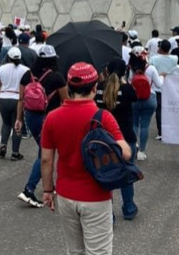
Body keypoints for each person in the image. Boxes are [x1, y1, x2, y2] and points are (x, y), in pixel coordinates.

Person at [41, 63, 131, 255]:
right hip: (96, 195)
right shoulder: (103, 117)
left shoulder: (52, 117)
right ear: (94, 88)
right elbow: (125, 153)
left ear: (69, 86)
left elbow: (46, 160)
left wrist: (48, 190)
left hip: (65, 194)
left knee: (75, 251)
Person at [14, 45, 67, 208]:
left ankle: (49, 184)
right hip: (49, 119)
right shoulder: (57, 77)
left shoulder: (27, 75)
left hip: (31, 117)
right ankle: (29, 190)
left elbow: (21, 99)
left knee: (44, 150)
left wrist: (19, 119)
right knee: (44, 154)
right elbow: (66, 102)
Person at [95, 58, 139, 220]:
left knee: (106, 175)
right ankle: (128, 207)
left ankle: (108, 214)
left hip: (104, 138)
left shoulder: (99, 88)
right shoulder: (127, 89)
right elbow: (135, 99)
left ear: (106, 70)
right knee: (126, 173)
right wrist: (124, 80)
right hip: (125, 137)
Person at [0, 47, 30, 160]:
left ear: (8, 57)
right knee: (17, 124)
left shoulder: (2, 69)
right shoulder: (26, 70)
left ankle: (3, 145)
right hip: (18, 99)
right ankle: (15, 153)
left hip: (4, 98)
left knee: (6, 123)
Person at [130, 50, 163, 161]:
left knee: (134, 124)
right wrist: (162, 77)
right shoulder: (152, 69)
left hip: (134, 99)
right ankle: (142, 152)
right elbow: (159, 85)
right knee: (145, 126)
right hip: (150, 98)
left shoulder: (131, 70)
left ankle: (133, 148)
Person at [149, 40, 177, 140]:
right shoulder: (175, 58)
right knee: (171, 109)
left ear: (160, 48)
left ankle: (161, 132)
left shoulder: (154, 59)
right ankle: (171, 130)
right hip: (171, 88)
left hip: (157, 88)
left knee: (159, 110)